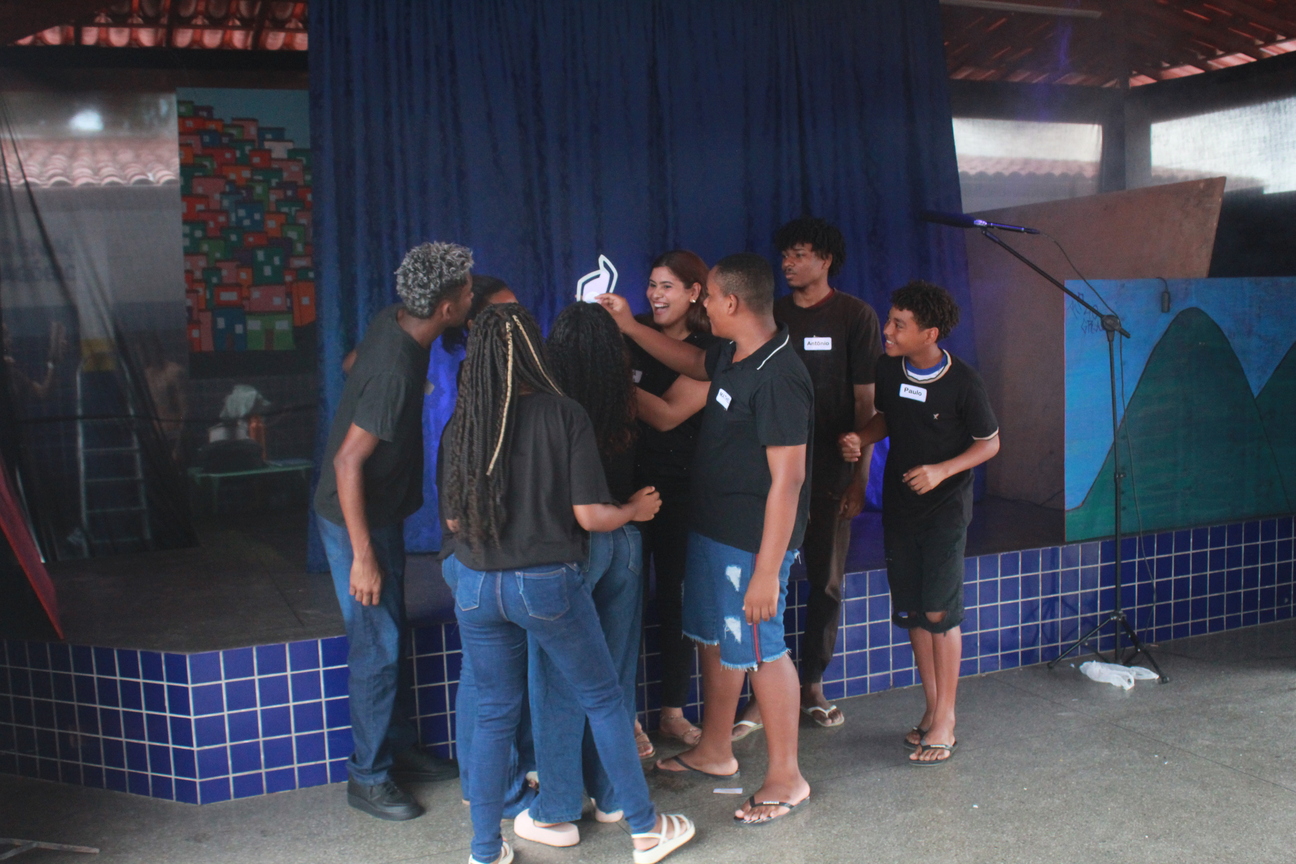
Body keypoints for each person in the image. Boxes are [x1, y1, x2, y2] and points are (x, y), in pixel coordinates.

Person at [440, 303, 694, 864]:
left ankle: (485, 850)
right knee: (603, 699)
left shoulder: (464, 422)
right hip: (545, 583)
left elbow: (455, 522)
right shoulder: (563, 414)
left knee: (494, 714)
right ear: (536, 349)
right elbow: (589, 516)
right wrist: (629, 511)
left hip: (478, 588)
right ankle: (645, 830)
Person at [606, 253, 814, 825]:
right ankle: (716, 749)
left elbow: (789, 480)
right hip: (711, 527)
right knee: (715, 638)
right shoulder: (731, 353)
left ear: (731, 303)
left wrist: (767, 570)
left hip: (751, 543)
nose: (703, 304)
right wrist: (628, 327)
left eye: (709, 297)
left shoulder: (780, 375)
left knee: (761, 649)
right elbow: (693, 360)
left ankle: (787, 776)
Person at [314, 241, 474, 820]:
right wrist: (363, 556)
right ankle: (369, 776)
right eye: (468, 293)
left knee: (388, 633)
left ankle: (398, 747)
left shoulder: (395, 321)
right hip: (357, 519)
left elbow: (349, 364)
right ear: (447, 309)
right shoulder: (395, 371)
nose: (472, 296)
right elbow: (347, 461)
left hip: (380, 512)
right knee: (376, 646)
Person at [840, 280, 999, 765]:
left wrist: (942, 471)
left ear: (929, 334)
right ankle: (931, 709)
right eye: (890, 320)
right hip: (901, 507)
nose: (887, 331)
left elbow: (989, 443)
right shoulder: (889, 368)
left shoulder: (964, 381)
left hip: (945, 510)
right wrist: (862, 437)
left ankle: (946, 719)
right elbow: (887, 418)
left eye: (899, 325)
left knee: (938, 613)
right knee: (912, 610)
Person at [511, 300, 646, 847]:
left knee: (557, 679)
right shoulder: (626, 404)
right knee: (614, 675)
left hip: (572, 549)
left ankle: (559, 807)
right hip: (628, 541)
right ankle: (613, 796)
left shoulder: (551, 410)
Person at [757, 215, 881, 730]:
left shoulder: (855, 316)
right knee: (767, 576)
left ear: (826, 260)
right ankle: (764, 686)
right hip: (771, 472)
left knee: (826, 581)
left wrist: (860, 478)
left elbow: (866, 403)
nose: (788, 264)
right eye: (785, 255)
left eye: (800, 254)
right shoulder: (772, 314)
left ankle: (812, 683)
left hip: (831, 471)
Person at [628, 251, 716, 750]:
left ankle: (672, 712)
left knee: (677, 602)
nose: (655, 295)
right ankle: (627, 717)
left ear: (694, 292)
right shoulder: (631, 334)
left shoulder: (710, 349)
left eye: (667, 286)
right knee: (624, 602)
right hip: (628, 489)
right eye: (651, 285)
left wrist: (610, 380)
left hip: (682, 491)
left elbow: (665, 415)